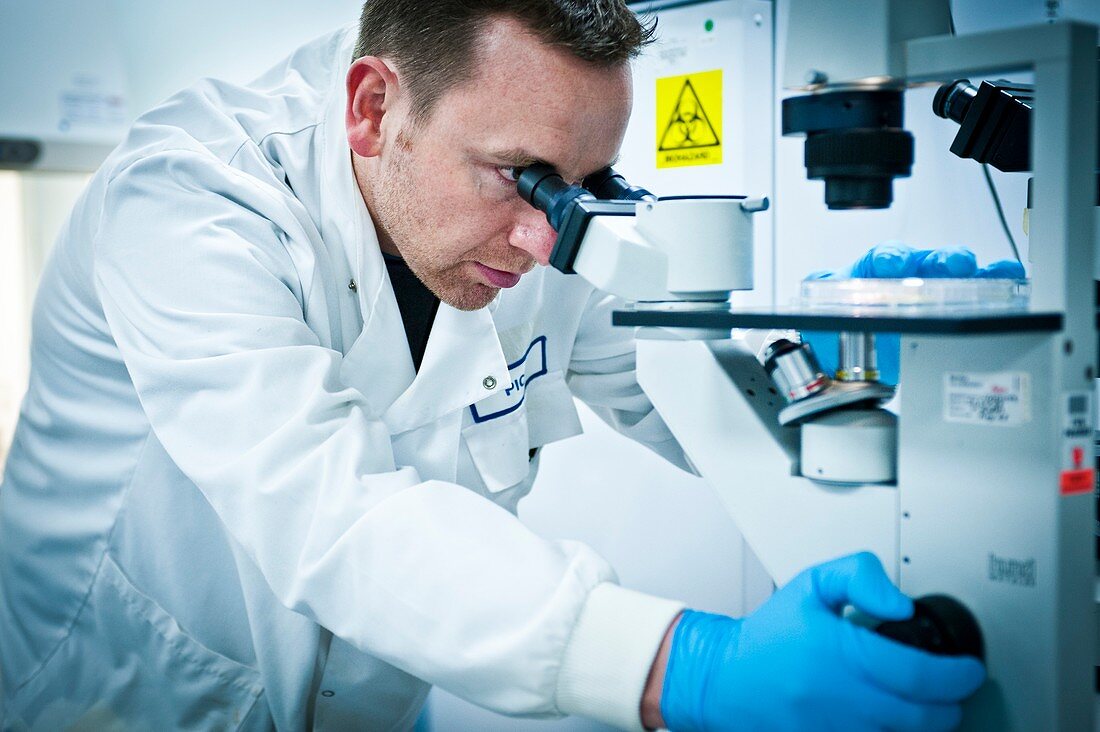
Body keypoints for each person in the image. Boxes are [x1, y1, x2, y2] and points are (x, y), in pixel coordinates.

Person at [0, 1, 985, 730]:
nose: (542, 240)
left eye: (581, 187)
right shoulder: (189, 204)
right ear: (372, 106)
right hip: (129, 695)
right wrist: (684, 664)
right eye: (520, 181)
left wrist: (844, 394)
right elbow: (326, 509)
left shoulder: (534, 223)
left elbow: (680, 405)